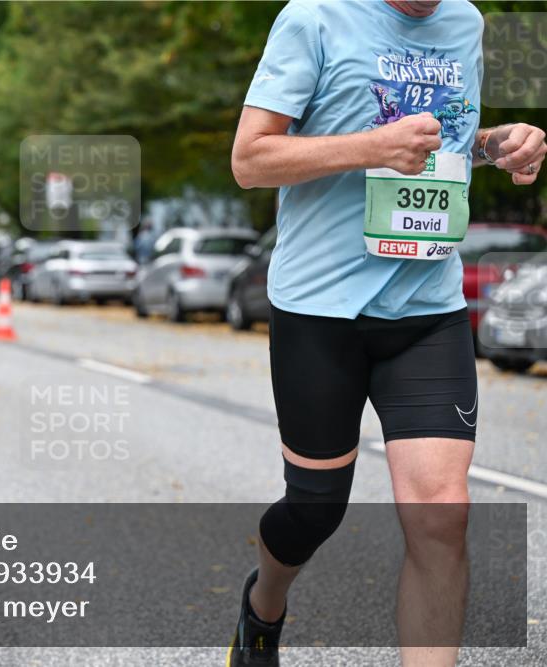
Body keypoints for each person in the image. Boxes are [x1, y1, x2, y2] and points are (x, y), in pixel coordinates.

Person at [228, 1, 546, 666]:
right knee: (314, 509)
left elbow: (446, 141)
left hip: (426, 308)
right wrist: (374, 146)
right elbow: (250, 159)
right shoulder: (313, 18)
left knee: (441, 515)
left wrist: (495, 143)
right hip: (321, 311)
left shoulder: (464, 23)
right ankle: (263, 607)